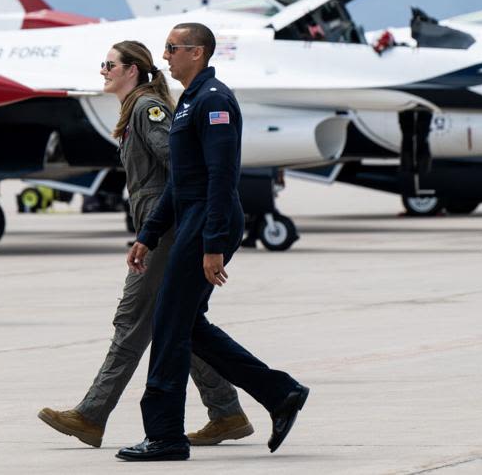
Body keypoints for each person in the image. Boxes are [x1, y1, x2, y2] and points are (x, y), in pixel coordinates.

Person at [37, 40, 253, 448]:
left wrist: (158, 228)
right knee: (176, 325)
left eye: (110, 64)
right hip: (166, 228)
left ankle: (91, 414)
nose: (103, 70)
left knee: (132, 320)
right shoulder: (135, 108)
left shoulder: (146, 109)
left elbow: (180, 166)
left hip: (168, 232)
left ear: (132, 70)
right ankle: (226, 412)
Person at [117, 23, 309, 462]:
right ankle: (280, 393)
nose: (165, 56)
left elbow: (222, 177)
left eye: (172, 48)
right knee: (185, 325)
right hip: (192, 221)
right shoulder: (189, 102)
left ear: (197, 52)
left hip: (207, 222)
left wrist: (213, 243)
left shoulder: (214, 100)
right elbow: (181, 181)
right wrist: (147, 237)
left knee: (167, 325)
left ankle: (165, 437)